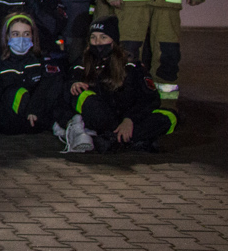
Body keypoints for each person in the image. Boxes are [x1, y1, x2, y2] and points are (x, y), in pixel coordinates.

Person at [65, 16, 177, 153]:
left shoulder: (132, 66)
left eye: (103, 37)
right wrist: (74, 83)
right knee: (83, 96)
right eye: (93, 37)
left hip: (130, 118)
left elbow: (150, 99)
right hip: (103, 118)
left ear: (113, 41)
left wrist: (129, 120)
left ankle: (114, 140)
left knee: (169, 116)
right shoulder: (82, 62)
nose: (97, 42)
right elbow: (71, 80)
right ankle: (134, 140)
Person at [0, 13, 64, 136]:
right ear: (7, 36)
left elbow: (50, 87)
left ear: (32, 36)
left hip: (36, 115)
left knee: (55, 80)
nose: (21, 38)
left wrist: (34, 108)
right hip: (7, 121)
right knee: (18, 92)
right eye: (16, 34)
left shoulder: (41, 60)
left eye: (26, 34)